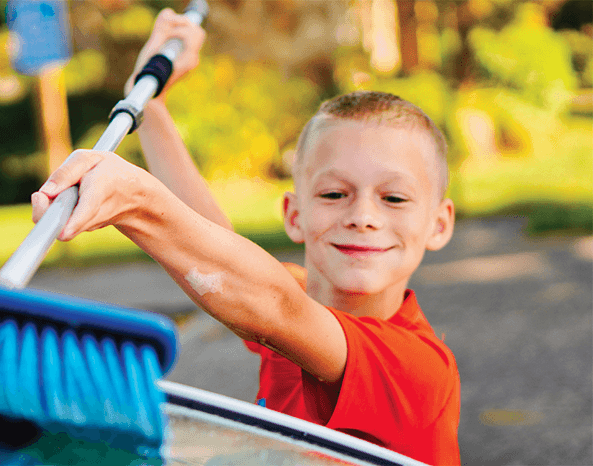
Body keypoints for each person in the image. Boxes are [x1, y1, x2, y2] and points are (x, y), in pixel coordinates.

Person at [31, 9, 460, 464]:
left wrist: (140, 202)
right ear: (294, 215)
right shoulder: (302, 298)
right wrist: (150, 105)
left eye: (394, 199)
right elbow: (226, 256)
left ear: (439, 223)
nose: (363, 216)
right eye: (335, 193)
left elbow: (271, 306)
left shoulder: (417, 368)